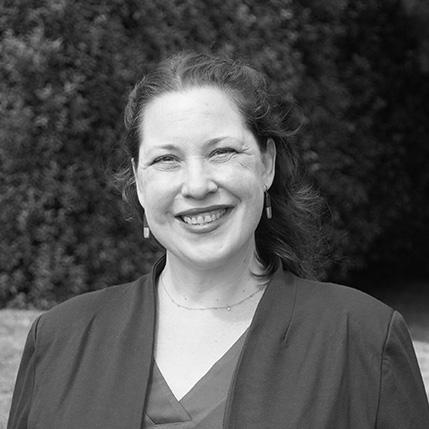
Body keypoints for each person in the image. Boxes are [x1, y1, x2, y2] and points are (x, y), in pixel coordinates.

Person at [7, 52, 429, 429]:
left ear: (266, 164)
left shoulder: (364, 340)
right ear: (138, 181)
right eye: (166, 159)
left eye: (221, 152)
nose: (197, 184)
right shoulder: (59, 339)